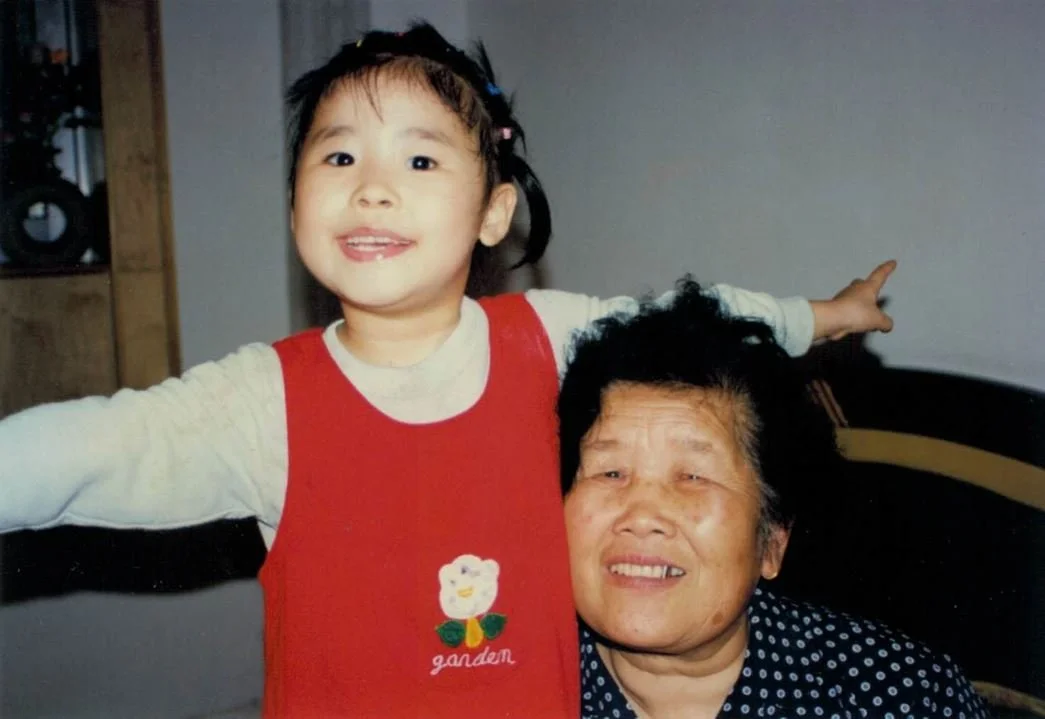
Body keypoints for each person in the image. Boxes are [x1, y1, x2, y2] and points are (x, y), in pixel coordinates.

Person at [0, 23, 895, 718]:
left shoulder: (546, 337)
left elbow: (690, 319)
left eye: (420, 158)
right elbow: (85, 449)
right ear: (295, 204)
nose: (372, 186)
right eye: (338, 154)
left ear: (493, 211)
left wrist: (821, 315)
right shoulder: (262, 401)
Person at [557, 278, 987, 719]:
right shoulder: (498, 676)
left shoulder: (906, 696)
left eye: (692, 476)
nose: (642, 515)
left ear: (772, 540)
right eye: (610, 472)